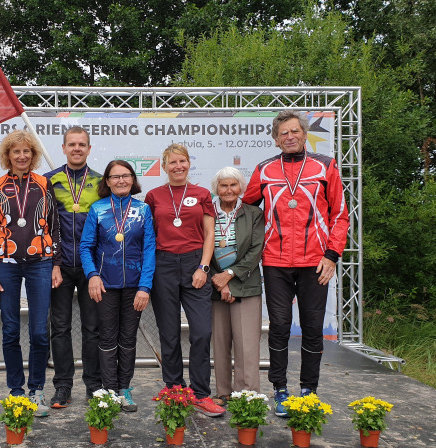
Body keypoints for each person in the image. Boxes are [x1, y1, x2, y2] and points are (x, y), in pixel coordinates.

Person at [243, 110, 349, 417]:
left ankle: (309, 391)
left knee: (313, 328)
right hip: (275, 262)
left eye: (295, 131)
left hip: (315, 262)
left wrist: (332, 255)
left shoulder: (326, 166)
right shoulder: (264, 170)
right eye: (283, 133)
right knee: (279, 327)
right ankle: (279, 389)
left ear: (304, 134)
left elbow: (340, 214)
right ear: (276, 140)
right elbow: (247, 210)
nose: (289, 136)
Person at [144, 143, 226, 417]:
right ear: (164, 166)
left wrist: (204, 267)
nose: (178, 166)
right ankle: (174, 389)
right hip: (163, 265)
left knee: (201, 332)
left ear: (189, 163)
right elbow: (148, 237)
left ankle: (201, 394)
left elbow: (209, 233)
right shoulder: (153, 196)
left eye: (182, 161)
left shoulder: (202, 194)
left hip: (195, 265)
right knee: (168, 333)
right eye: (172, 162)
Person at [0, 130, 61, 417]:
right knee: (11, 330)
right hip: (6, 265)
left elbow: (55, 225)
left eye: (27, 151)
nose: (22, 156)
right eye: (16, 151)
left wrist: (56, 263)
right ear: (8, 155)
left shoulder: (44, 184)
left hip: (41, 261)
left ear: (33, 154)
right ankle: (16, 392)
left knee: (40, 331)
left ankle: (36, 390)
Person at [79, 160, 156, 412]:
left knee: (128, 339)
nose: (121, 180)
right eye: (115, 177)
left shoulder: (143, 210)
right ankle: (110, 390)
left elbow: (149, 250)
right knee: (107, 338)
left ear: (133, 179)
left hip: (135, 287)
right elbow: (86, 246)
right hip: (105, 285)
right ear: (107, 181)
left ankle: (125, 389)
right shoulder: (97, 209)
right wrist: (92, 275)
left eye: (125, 176)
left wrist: (145, 287)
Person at [44, 127, 103, 408]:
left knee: (93, 327)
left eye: (82, 144)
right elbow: (43, 226)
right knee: (60, 327)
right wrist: (53, 262)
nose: (77, 149)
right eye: (72, 144)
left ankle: (93, 384)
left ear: (89, 149)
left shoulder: (102, 182)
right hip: (60, 265)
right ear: (64, 148)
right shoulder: (49, 180)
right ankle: (63, 386)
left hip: (92, 266)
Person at [207, 167, 265, 406]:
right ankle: (223, 392)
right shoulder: (207, 212)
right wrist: (218, 280)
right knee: (220, 343)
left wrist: (230, 276)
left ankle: (247, 393)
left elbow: (256, 250)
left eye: (233, 185)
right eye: (223, 185)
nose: (228, 190)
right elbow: (201, 250)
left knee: (246, 343)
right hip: (214, 285)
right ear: (216, 189)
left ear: (240, 188)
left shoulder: (253, 213)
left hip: (246, 284)